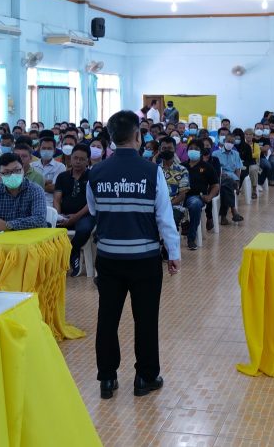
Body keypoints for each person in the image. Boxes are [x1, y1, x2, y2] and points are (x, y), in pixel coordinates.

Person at [87, 110, 180, 400]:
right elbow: (164, 217)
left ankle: (107, 378)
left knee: (107, 318)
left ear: (111, 138)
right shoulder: (152, 172)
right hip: (145, 259)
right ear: (138, 136)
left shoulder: (96, 173)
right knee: (146, 319)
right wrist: (173, 252)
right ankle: (145, 378)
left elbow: (94, 210)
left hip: (109, 258)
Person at [0, 152, 49, 232]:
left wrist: (8, 225)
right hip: (0, 239)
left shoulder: (35, 190)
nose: (12, 175)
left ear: (23, 170)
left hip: (30, 238)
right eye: (6, 172)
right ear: (0, 175)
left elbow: (40, 219)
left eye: (16, 170)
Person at [54, 144, 95, 275]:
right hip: (64, 215)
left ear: (88, 161)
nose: (78, 161)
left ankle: (73, 251)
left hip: (85, 215)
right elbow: (57, 199)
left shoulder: (93, 176)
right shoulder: (62, 177)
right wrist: (58, 215)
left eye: (82, 159)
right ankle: (55, 264)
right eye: (75, 158)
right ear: (70, 158)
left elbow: (91, 203)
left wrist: (76, 217)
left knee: (84, 229)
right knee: (48, 229)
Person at [182, 139, 218, 250]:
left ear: (201, 152)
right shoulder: (181, 166)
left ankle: (191, 238)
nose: (193, 150)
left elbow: (215, 185)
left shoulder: (207, 167)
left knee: (195, 204)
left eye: (196, 149)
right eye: (191, 148)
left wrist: (209, 196)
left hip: (196, 197)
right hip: (180, 196)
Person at [212, 133, 244, 224]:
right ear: (224, 141)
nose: (230, 143)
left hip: (233, 179)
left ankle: (224, 216)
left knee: (225, 187)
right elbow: (214, 170)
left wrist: (238, 182)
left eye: (232, 142)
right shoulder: (216, 154)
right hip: (220, 177)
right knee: (226, 184)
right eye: (228, 141)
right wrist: (222, 175)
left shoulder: (236, 154)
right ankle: (233, 210)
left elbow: (237, 169)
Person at [31, 136, 66, 205]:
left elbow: (54, 188)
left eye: (49, 148)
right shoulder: (32, 166)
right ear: (39, 150)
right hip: (33, 201)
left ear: (54, 151)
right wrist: (45, 183)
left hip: (50, 204)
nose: (46, 151)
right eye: (44, 148)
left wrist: (35, 183)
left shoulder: (60, 167)